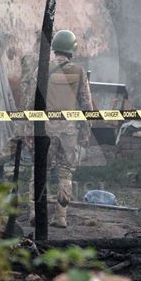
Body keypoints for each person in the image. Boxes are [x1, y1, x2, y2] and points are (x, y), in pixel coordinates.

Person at [24, 29, 95, 229]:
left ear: (54, 48)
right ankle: (61, 217)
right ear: (72, 50)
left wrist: (29, 129)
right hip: (68, 132)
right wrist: (86, 132)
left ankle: (35, 213)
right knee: (65, 173)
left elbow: (31, 102)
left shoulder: (42, 70)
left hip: (45, 130)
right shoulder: (79, 72)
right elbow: (87, 105)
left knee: (39, 171)